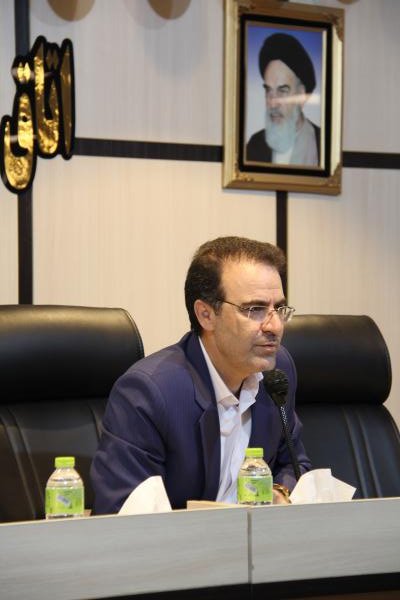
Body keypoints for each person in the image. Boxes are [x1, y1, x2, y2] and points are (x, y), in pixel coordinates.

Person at [91, 236, 311, 513]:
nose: (275, 326)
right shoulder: (149, 393)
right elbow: (122, 508)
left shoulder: (277, 371)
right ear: (206, 315)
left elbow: (293, 463)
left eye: (278, 308)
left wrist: (278, 492)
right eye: (255, 309)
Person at [246, 32, 320, 166]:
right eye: (268, 90)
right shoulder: (255, 145)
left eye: (282, 90)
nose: (272, 103)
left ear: (301, 95)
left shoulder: (322, 143)